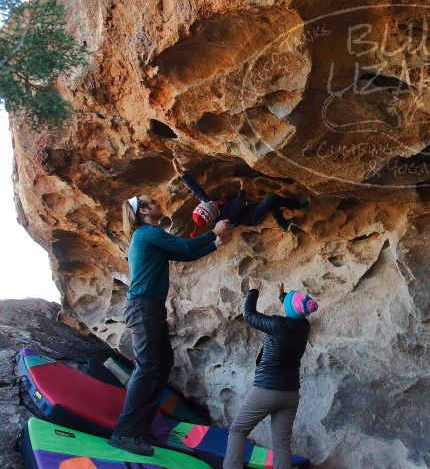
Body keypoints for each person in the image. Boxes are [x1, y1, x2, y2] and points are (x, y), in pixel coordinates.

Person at [109, 194, 232, 456]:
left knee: (160, 364)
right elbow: (185, 248)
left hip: (149, 308)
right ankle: (125, 432)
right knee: (148, 367)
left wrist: (215, 243)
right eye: (151, 201)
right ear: (143, 211)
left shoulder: (149, 236)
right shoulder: (146, 233)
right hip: (143, 307)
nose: (156, 202)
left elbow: (182, 255)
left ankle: (141, 428)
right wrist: (213, 232)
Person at [223, 278, 318, 469]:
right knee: (282, 444)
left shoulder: (277, 325)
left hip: (267, 390)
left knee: (238, 430)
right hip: (291, 394)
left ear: (290, 310)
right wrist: (283, 296)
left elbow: (249, 315)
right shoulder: (303, 327)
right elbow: (297, 310)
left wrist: (253, 291)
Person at [171, 158, 310, 235]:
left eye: (207, 202)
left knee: (271, 203)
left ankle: (283, 224)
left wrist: (181, 173)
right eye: (211, 205)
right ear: (213, 214)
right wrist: (243, 186)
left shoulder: (206, 202)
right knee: (271, 199)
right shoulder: (225, 217)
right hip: (250, 216)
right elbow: (238, 203)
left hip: (246, 207)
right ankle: (298, 205)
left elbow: (196, 190)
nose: (212, 202)